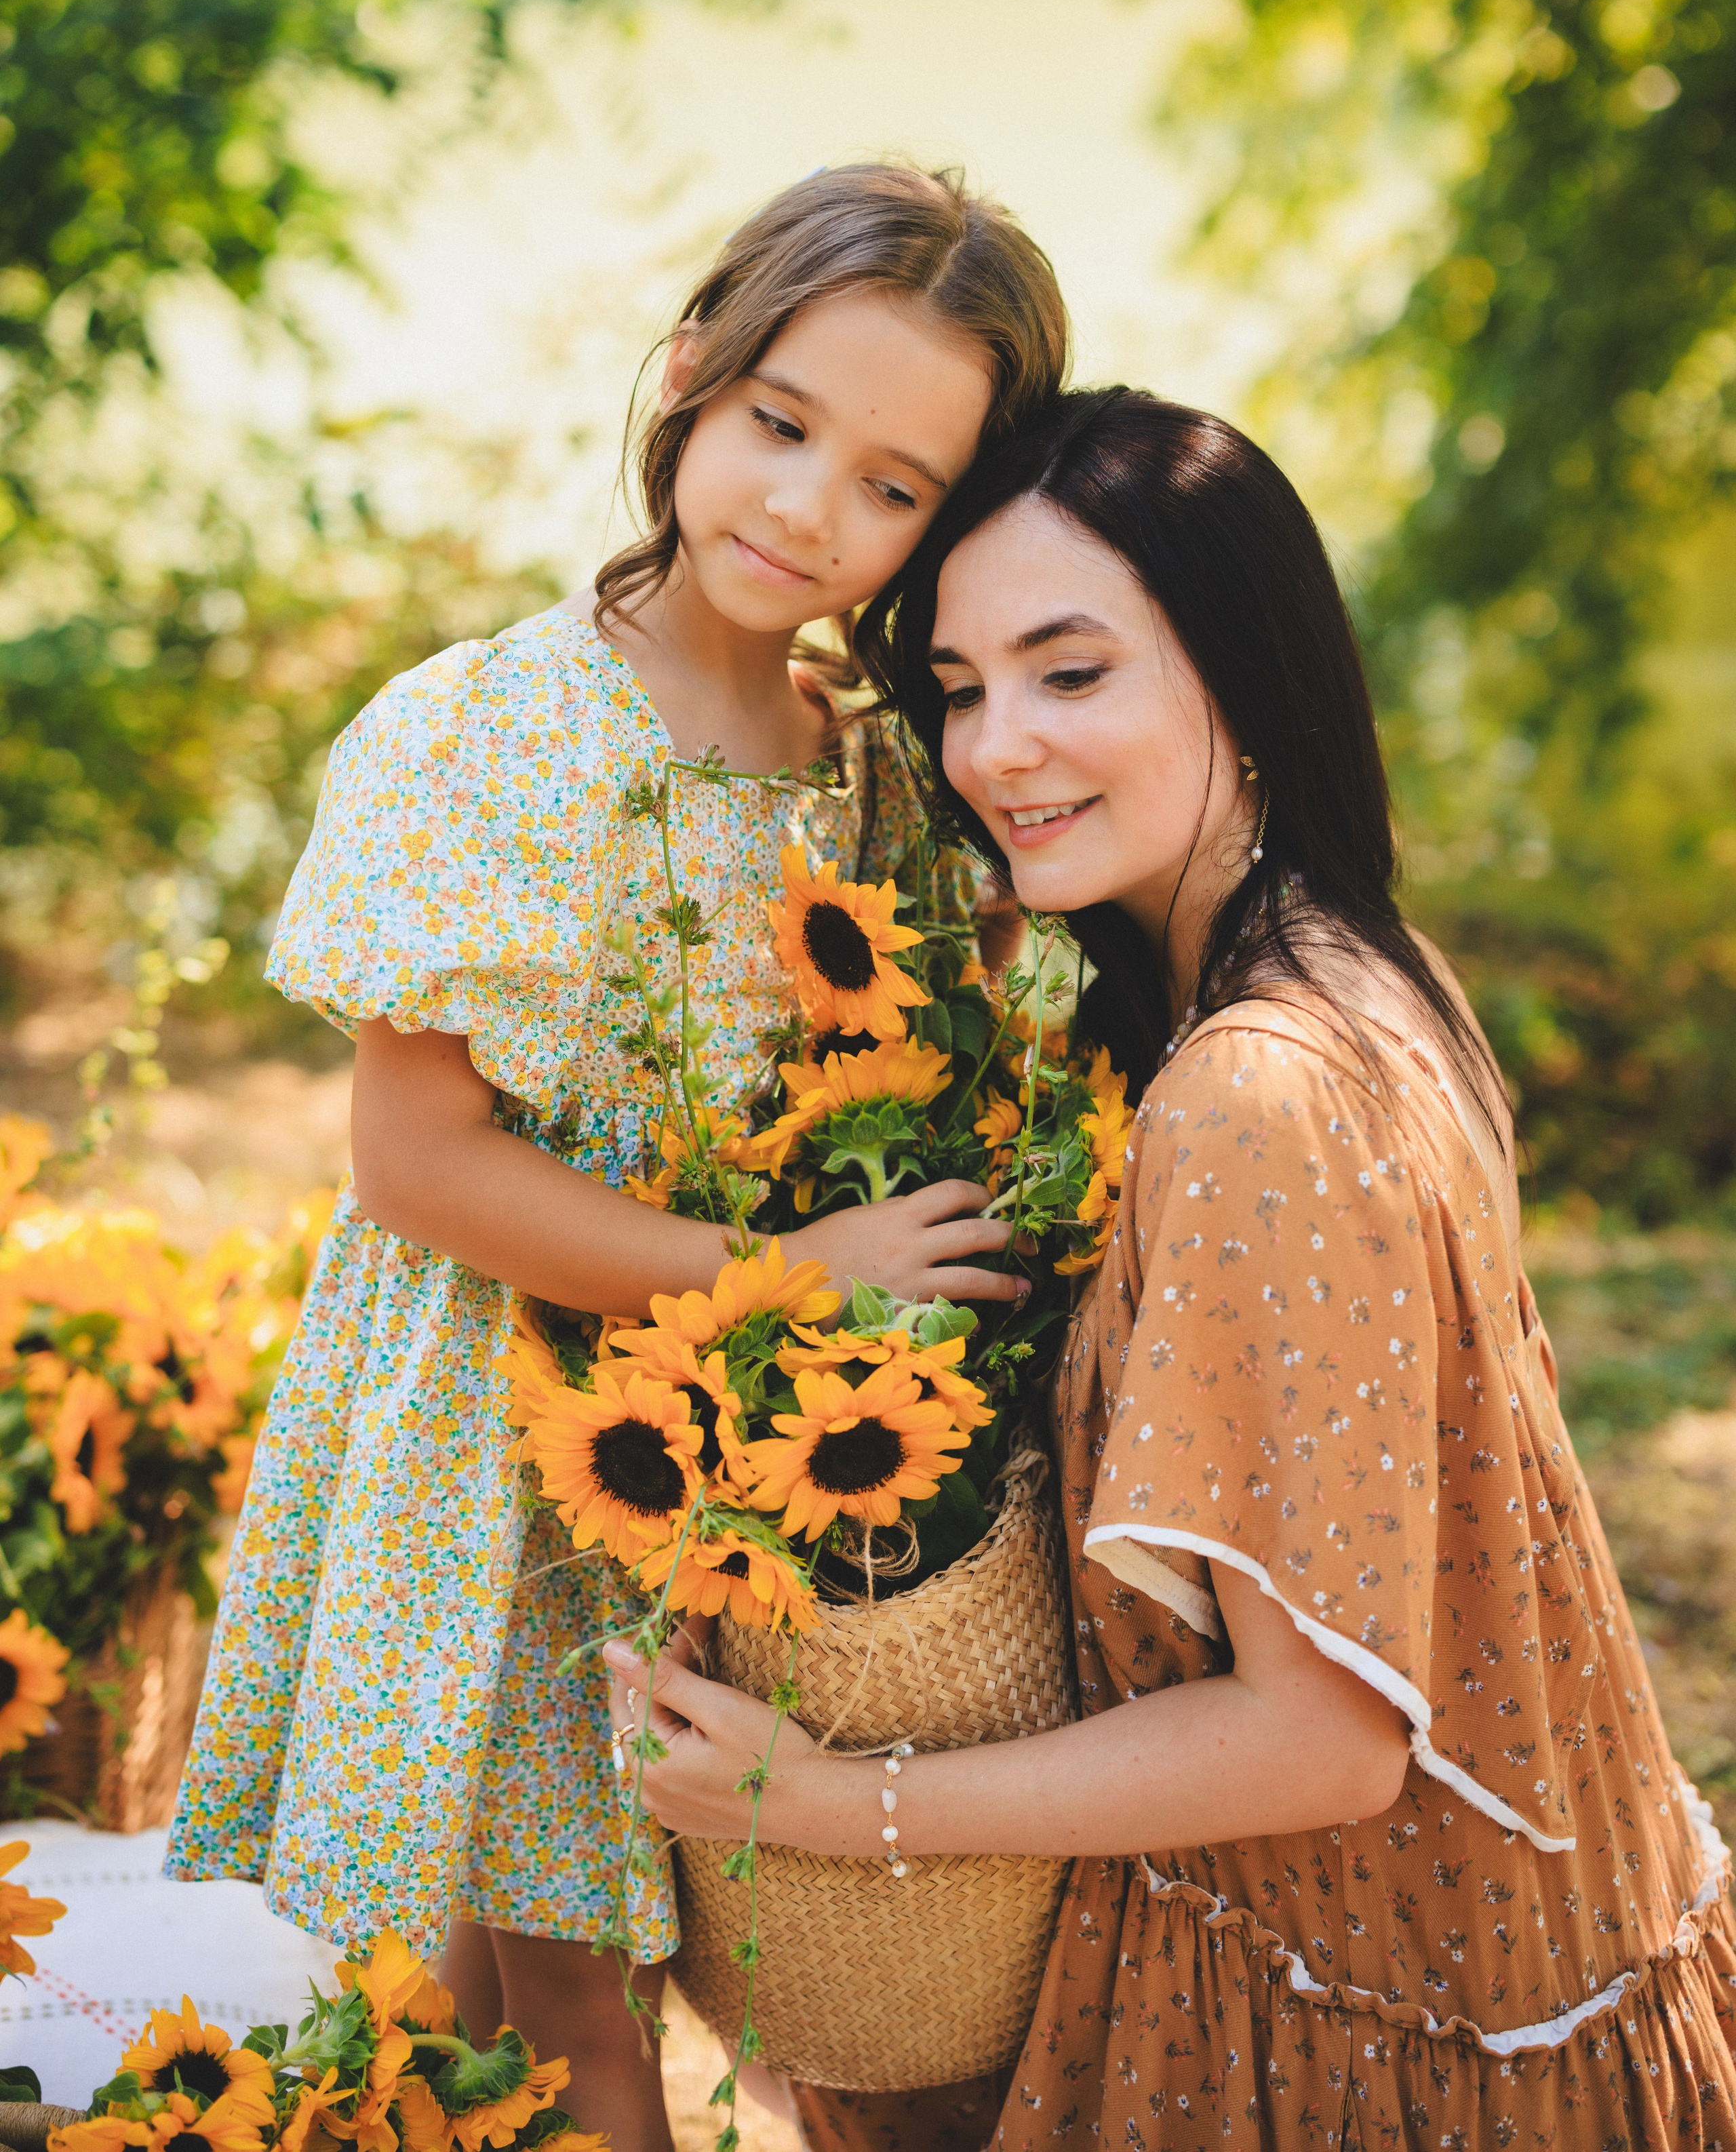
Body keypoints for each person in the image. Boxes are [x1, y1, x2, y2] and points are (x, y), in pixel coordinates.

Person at [604, 385, 1736, 2151]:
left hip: (1375, 2013)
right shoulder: (1370, 978)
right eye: (964, 691)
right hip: (1531, 1943)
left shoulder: (1255, 1094)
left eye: (1073, 674)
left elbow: (1323, 1741)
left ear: (1246, 672)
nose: (996, 753)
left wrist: (836, 1803)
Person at [164, 165, 1069, 2152]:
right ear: (689, 377)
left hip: (717, 1451)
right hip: (493, 1445)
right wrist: (787, 1283)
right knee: (567, 1997)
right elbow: (416, 1168)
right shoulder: (489, 731)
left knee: (533, 1984)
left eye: (895, 488)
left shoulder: (872, 758)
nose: (809, 510)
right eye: (780, 426)